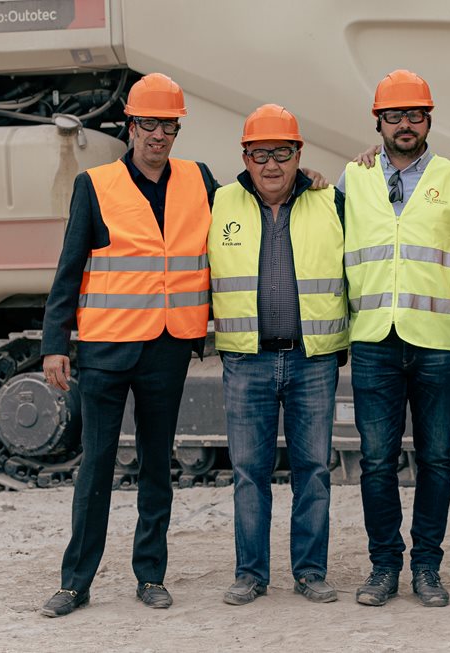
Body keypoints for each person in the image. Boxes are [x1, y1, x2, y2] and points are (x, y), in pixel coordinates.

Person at [39, 73, 217, 617]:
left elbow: (257, 198)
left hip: (169, 344)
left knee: (158, 466)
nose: (158, 135)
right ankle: (75, 582)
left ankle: (151, 575)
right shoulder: (95, 185)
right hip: (107, 349)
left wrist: (307, 178)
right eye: (149, 124)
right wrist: (55, 342)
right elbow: (70, 268)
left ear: (177, 130)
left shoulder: (200, 180)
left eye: (169, 126)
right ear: (131, 126)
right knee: (96, 465)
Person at [338, 70, 450, 607]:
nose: (405, 124)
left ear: (428, 120)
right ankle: (384, 566)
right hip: (374, 339)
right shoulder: (353, 177)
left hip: (438, 340)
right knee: (376, 461)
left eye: (414, 115)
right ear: (379, 123)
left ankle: (428, 568)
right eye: (394, 116)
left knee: (436, 459)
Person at [208, 104, 348, 606]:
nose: (271, 164)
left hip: (313, 359)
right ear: (245, 157)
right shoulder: (218, 202)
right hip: (247, 360)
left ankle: (310, 572)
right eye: (260, 154)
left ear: (299, 155)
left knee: (314, 471)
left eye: (282, 153)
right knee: (249, 473)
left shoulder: (331, 201)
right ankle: (251, 574)